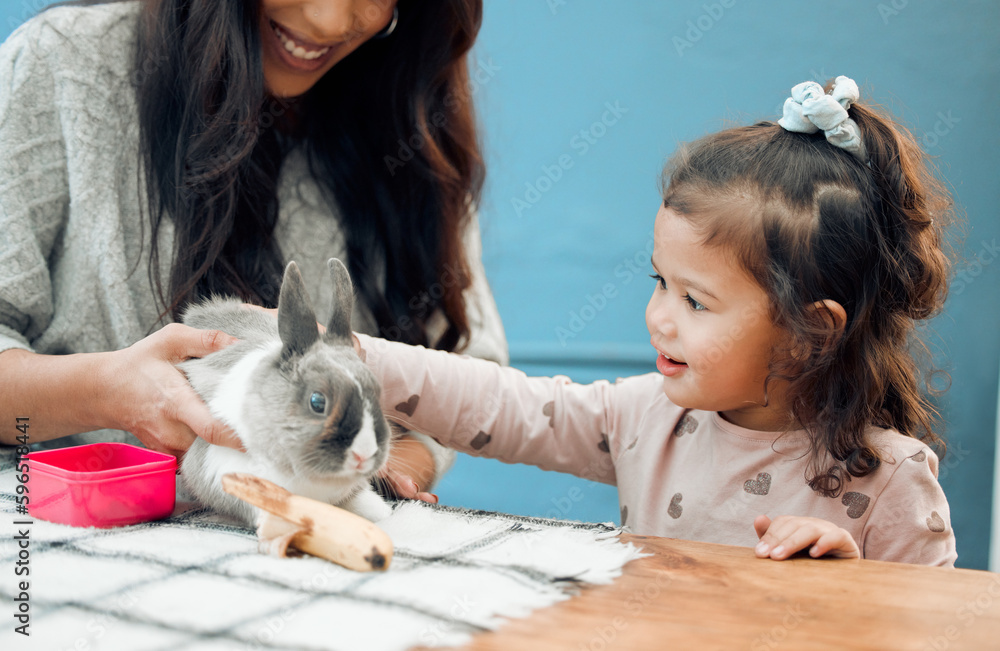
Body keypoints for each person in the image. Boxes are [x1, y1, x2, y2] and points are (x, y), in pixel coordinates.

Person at [352, 77, 958, 565]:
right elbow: (497, 405)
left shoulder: (892, 480)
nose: (659, 319)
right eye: (658, 283)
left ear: (810, 334)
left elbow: (935, 630)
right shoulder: (649, 418)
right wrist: (348, 356)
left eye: (695, 301)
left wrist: (849, 587)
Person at [0, 0, 507, 501]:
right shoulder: (61, 67)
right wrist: (104, 391)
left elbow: (473, 362)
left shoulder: (406, 117)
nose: (329, 20)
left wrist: (398, 467)